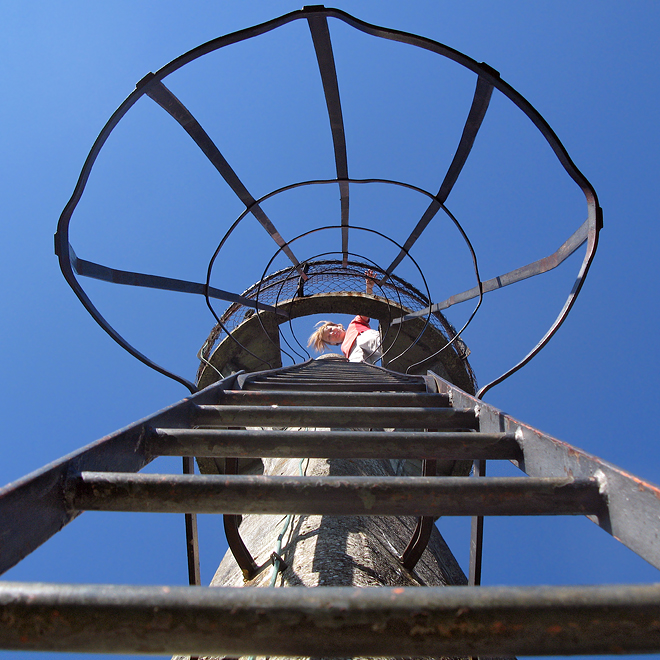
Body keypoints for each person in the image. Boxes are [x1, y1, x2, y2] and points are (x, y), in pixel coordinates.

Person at [307, 270, 383, 364]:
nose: (332, 333)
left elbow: (366, 308)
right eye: (329, 337)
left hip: (362, 336)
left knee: (373, 341)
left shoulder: (353, 324)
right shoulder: (345, 350)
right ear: (333, 343)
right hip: (353, 353)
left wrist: (369, 288)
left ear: (337, 326)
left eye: (330, 329)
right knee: (356, 366)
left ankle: (388, 344)